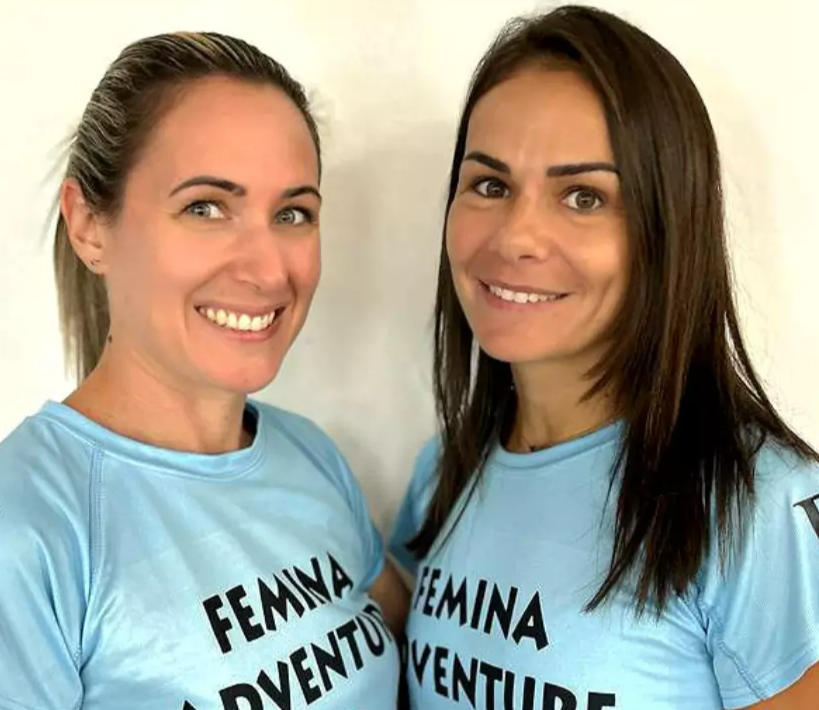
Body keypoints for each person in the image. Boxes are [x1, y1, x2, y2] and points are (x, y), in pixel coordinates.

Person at [389, 5, 819, 709]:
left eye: (583, 196)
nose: (516, 237)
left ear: (665, 229)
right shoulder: (443, 469)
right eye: (490, 185)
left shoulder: (757, 501)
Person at [0, 31, 407, 710]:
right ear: (90, 225)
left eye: (292, 213)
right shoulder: (28, 524)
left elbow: (416, 645)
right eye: (205, 207)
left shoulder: (309, 453)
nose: (268, 270)